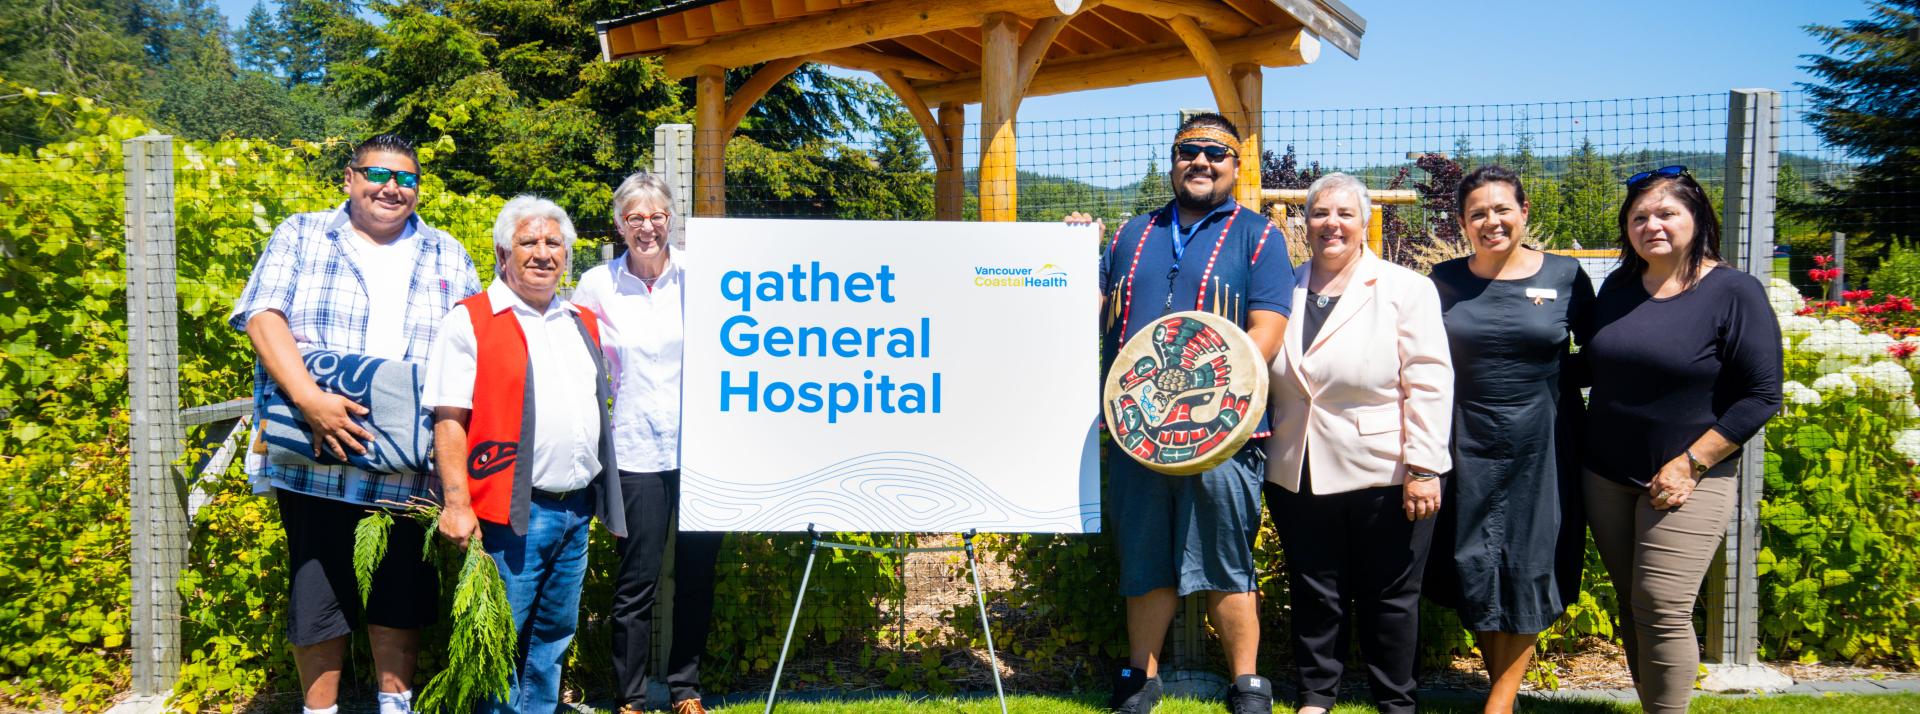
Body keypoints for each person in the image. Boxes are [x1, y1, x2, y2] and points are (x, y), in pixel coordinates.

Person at [229, 134, 480, 714]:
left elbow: (467, 350)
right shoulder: (302, 233)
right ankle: (322, 711)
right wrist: (310, 399)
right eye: (377, 173)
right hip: (317, 449)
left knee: (403, 588)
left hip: (406, 460)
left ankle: (396, 707)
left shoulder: (447, 252)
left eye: (407, 178)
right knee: (317, 586)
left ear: (418, 189)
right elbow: (262, 315)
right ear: (349, 178)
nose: (392, 187)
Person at [1069, 111, 1293, 714]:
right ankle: (1140, 681)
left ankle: (1247, 685)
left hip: (1222, 431)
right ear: (1173, 160)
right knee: (1143, 559)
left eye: (1215, 154)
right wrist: (1069, 254)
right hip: (1139, 431)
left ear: (1235, 166)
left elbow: (1266, 330)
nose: (1201, 162)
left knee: (1226, 558)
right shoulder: (1129, 234)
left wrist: (1217, 391)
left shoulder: (1259, 236)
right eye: (1188, 151)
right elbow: (1088, 311)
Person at [1581, 166, 1782, 714]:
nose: (1652, 226)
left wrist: (1691, 462)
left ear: (1696, 218)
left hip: (1689, 477)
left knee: (1663, 604)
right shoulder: (1620, 288)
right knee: (1633, 604)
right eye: (1639, 217)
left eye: (1666, 213)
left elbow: (1762, 395)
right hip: (1606, 474)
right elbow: (1597, 367)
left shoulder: (1733, 292)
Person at [424, 195, 628, 713]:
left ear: (567, 255)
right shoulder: (471, 320)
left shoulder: (580, 319)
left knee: (553, 637)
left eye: (553, 242)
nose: (542, 252)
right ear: (501, 253)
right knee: (496, 638)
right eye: (528, 241)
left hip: (575, 509)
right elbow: (449, 420)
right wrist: (456, 502)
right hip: (509, 513)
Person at [1264, 172, 1453, 714]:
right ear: (1306, 221)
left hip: (1385, 470)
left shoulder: (1405, 288)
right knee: (1314, 591)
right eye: (1321, 213)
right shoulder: (1284, 289)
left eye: (1345, 213)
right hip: (1297, 465)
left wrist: (1423, 466)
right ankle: (1316, 697)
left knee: (1390, 598)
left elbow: (1430, 381)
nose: (1332, 224)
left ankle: (1395, 702)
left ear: (1365, 221)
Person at [1426, 165, 1593, 714]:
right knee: (1472, 560)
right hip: (1463, 439)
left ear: (1524, 212)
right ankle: (1506, 695)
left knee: (1530, 562)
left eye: (1502, 209)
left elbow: (1598, 355)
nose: (1491, 221)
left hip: (1542, 442)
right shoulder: (1443, 282)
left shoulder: (1568, 277)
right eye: (1477, 213)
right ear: (1461, 224)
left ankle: (1498, 703)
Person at [572, 173, 724, 714]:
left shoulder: (703, 277)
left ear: (671, 220)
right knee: (635, 585)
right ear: (619, 225)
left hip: (704, 449)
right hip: (635, 450)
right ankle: (630, 698)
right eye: (634, 217)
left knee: (697, 577)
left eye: (655, 216)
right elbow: (576, 362)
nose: (646, 226)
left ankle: (687, 689)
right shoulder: (596, 285)